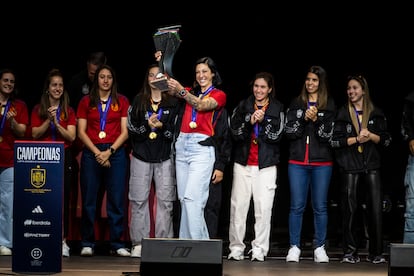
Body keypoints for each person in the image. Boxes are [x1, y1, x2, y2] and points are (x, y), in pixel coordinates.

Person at [160, 53, 227, 240]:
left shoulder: (219, 95)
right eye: (197, 72)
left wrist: (182, 91)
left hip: (201, 149)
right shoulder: (190, 90)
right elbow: (163, 84)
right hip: (182, 146)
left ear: (213, 74)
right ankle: (188, 245)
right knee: (184, 200)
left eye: (205, 71)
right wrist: (162, 62)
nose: (201, 75)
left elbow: (201, 106)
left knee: (192, 200)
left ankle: (199, 248)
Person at [330, 74, 391, 264]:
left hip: (371, 165)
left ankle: (376, 253)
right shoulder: (341, 113)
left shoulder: (376, 113)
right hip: (349, 165)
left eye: (355, 88)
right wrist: (356, 139)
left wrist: (371, 136)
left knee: (374, 210)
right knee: (350, 210)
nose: (351, 91)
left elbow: (387, 140)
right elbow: (334, 141)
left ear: (363, 90)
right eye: (349, 88)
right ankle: (350, 252)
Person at [227, 71, 284, 262]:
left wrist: (264, 120)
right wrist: (249, 121)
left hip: (266, 166)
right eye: (256, 86)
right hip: (242, 164)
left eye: (263, 87)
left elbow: (277, 136)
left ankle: (259, 249)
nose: (258, 90)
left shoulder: (277, 108)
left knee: (263, 209)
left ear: (269, 89)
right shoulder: (243, 105)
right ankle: (236, 248)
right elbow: (234, 132)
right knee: (238, 208)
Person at [76, 64, 130, 257]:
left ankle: (117, 244)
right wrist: (98, 153)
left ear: (113, 80)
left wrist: (110, 151)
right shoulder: (86, 101)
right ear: (96, 79)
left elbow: (125, 132)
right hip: (92, 152)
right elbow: (80, 132)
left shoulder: (122, 100)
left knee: (116, 200)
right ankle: (87, 242)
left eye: (109, 77)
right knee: (89, 200)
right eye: (102, 77)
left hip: (115, 152)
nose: (105, 80)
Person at [284, 65, 336, 263]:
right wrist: (304, 120)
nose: (310, 83)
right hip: (297, 162)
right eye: (308, 79)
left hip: (322, 163)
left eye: (314, 80)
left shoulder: (329, 104)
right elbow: (289, 132)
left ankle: (319, 247)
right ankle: (294, 247)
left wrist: (315, 121)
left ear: (320, 83)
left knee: (320, 206)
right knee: (296, 206)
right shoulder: (297, 102)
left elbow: (328, 137)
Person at [127, 63, 179, 258]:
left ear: (163, 79)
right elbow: (131, 128)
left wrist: (161, 126)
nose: (154, 78)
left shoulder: (172, 102)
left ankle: (163, 243)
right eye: (151, 75)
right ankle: (139, 244)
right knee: (138, 200)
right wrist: (146, 126)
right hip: (141, 156)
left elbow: (174, 132)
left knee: (166, 202)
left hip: (164, 158)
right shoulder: (139, 101)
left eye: (158, 75)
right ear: (147, 79)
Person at [30, 68, 77, 257]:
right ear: (48, 88)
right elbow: (34, 134)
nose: (57, 88)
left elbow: (72, 136)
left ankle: (63, 240)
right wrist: (47, 121)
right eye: (54, 85)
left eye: (60, 85)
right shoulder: (37, 109)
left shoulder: (69, 110)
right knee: (42, 199)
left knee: (63, 201)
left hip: (63, 157)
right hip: (42, 159)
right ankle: (43, 237)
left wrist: (56, 123)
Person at [0, 68, 29, 256]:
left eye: (11, 81)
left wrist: (12, 123)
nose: (8, 84)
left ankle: (4, 243)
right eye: (5, 80)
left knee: (7, 204)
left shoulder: (18, 106)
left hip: (9, 159)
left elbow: (23, 132)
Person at [204, 106, 232, 239]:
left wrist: (220, 166)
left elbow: (226, 140)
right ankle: (192, 241)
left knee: (212, 205)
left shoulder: (220, 111)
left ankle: (209, 242)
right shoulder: (189, 108)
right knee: (191, 203)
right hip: (190, 162)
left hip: (213, 162)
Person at [402, 90, 414, 244]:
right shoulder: (411, 99)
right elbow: (406, 126)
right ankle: (409, 251)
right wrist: (411, 138)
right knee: (412, 205)